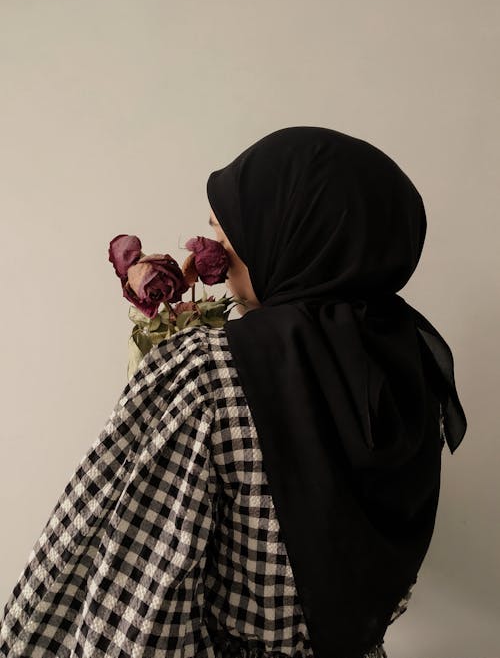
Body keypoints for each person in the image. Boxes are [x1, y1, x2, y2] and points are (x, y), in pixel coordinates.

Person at [0, 126, 467, 658]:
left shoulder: (210, 370)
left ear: (291, 230)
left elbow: (139, 616)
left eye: (229, 230)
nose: (216, 250)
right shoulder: (415, 370)